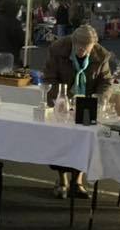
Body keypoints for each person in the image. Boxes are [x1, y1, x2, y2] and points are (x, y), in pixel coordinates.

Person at [44, 25, 112, 198]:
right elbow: (50, 78)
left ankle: (78, 181)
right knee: (61, 142)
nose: (82, 51)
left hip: (87, 103)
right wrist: (61, 99)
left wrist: (100, 98)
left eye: (86, 48)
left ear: (93, 46)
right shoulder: (57, 49)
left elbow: (106, 81)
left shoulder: (101, 55)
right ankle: (62, 180)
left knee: (83, 142)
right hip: (62, 102)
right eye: (79, 47)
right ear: (73, 43)